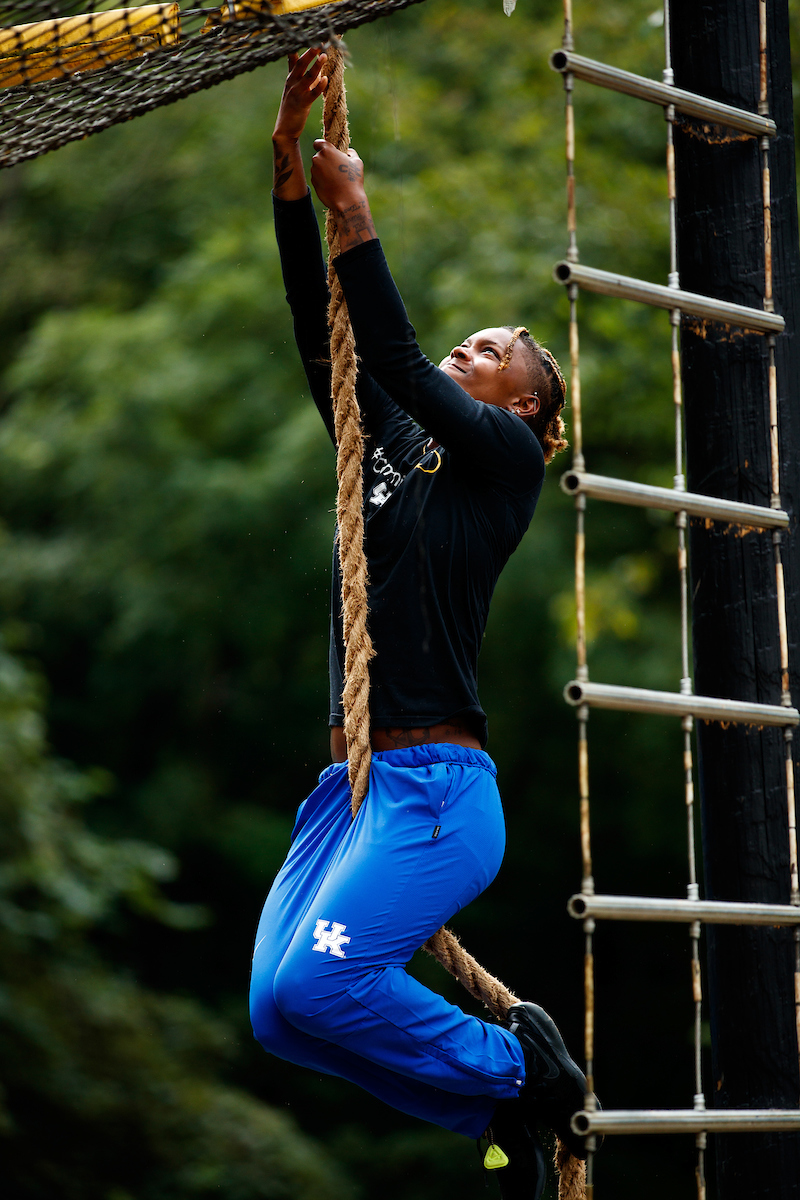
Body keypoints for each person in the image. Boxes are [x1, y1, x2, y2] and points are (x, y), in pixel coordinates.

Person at [249, 48, 587, 1200]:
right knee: (278, 1018)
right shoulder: (399, 458)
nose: (467, 348)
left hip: (436, 793)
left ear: (526, 409)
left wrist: (360, 215)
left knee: (314, 991)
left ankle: (518, 1069)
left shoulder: (502, 465)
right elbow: (331, 347)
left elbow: (389, 350)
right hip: (346, 799)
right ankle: (496, 1114)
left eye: (493, 351)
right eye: (472, 339)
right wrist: (290, 174)